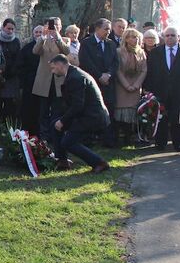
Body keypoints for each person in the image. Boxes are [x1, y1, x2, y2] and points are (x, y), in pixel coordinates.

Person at [48, 55, 110, 173]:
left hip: (92, 117)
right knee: (54, 126)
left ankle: (99, 162)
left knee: (68, 142)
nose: (52, 71)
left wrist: (63, 121)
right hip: (86, 114)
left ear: (61, 65)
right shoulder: (74, 74)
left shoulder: (75, 78)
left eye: (53, 68)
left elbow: (77, 105)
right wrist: (61, 120)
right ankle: (62, 161)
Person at [144, 26, 180, 152]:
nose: (170, 37)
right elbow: (150, 72)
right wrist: (147, 89)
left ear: (178, 37)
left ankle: (178, 144)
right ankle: (160, 143)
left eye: (173, 35)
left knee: (177, 119)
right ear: (163, 37)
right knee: (161, 118)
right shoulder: (156, 52)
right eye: (167, 35)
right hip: (160, 91)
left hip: (179, 91)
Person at [79, 18, 119, 146]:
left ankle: (108, 139)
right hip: (93, 83)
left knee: (109, 110)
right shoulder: (86, 43)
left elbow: (115, 62)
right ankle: (89, 139)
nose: (108, 31)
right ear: (97, 29)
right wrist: (99, 75)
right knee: (91, 110)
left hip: (108, 83)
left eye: (109, 29)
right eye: (106, 29)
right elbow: (85, 62)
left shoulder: (111, 44)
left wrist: (108, 74)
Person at [32, 18, 69, 141]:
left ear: (61, 27)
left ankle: (56, 136)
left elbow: (66, 51)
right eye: (51, 26)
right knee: (43, 111)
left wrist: (57, 37)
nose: (54, 28)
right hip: (44, 80)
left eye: (57, 25)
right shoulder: (42, 40)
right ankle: (44, 137)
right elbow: (35, 51)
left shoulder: (64, 40)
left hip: (59, 81)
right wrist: (43, 37)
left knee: (57, 110)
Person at [114, 28, 147, 145]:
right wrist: (127, 85)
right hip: (121, 87)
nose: (135, 39)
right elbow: (117, 70)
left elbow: (144, 70)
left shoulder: (141, 52)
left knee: (132, 115)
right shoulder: (119, 52)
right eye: (132, 37)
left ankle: (129, 139)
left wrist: (136, 85)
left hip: (135, 87)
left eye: (137, 37)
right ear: (126, 39)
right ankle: (117, 139)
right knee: (120, 114)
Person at [0, 18, 21, 124]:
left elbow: (18, 59)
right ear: (3, 28)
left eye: (12, 29)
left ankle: (7, 127)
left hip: (11, 77)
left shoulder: (16, 41)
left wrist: (9, 72)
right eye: (8, 28)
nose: (10, 31)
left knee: (10, 105)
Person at [16, 25, 43, 134]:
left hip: (45, 85)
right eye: (36, 32)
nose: (38, 34)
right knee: (28, 109)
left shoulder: (49, 47)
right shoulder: (27, 48)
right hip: (30, 84)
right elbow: (19, 66)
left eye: (40, 32)